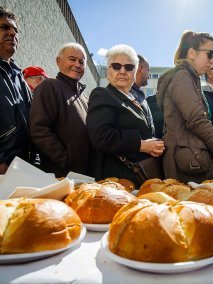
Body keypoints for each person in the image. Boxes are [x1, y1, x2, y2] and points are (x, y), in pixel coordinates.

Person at [156, 30, 213, 183]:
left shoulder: (190, 77)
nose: (212, 60)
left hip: (190, 156)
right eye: (210, 54)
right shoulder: (183, 77)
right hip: (188, 161)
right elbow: (197, 119)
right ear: (191, 53)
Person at [87, 44, 164, 187]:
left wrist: (154, 144)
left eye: (129, 67)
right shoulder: (102, 94)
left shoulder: (138, 99)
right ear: (108, 71)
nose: (122, 71)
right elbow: (100, 136)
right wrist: (142, 145)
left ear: (135, 72)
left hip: (142, 175)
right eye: (116, 66)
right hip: (117, 178)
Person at [29, 42, 93, 177]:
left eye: (81, 62)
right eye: (72, 59)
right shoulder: (49, 87)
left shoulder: (85, 97)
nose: (77, 65)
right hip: (61, 176)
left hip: (85, 175)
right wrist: (67, 161)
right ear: (58, 61)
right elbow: (39, 130)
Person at [0, 6, 32, 174]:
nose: (12, 33)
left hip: (21, 168)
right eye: (5, 27)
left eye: (15, 30)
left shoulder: (19, 75)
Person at [130, 55, 155, 136]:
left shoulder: (140, 95)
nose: (149, 75)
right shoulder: (126, 93)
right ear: (140, 68)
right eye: (148, 70)